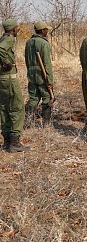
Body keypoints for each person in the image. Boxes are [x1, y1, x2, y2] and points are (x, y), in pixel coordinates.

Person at [0, 19, 29, 152]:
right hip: (9, 79)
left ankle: (6, 141)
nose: (18, 30)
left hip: (2, 79)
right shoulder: (10, 38)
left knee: (4, 108)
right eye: (16, 28)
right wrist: (6, 62)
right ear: (12, 29)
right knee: (17, 108)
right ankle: (15, 142)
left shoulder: (2, 38)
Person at [24, 21, 54, 126]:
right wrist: (50, 80)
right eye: (46, 30)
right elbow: (47, 63)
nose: (47, 32)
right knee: (47, 98)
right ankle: (46, 124)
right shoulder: (43, 43)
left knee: (33, 98)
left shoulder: (28, 42)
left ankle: (28, 122)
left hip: (31, 73)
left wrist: (30, 72)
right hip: (42, 75)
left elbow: (26, 60)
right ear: (42, 31)